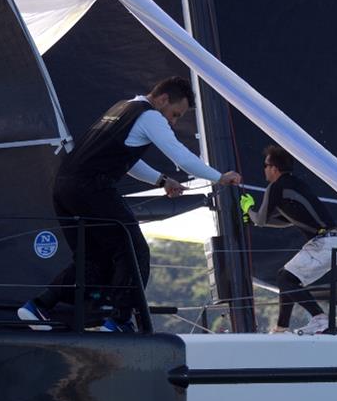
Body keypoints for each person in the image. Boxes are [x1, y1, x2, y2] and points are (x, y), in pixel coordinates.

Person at [19, 76, 241, 332]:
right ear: (162, 99)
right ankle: (119, 320)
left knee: (94, 259)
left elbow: (127, 160)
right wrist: (220, 176)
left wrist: (161, 180)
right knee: (134, 251)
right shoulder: (150, 117)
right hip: (92, 187)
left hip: (64, 188)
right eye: (175, 114)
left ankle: (40, 306)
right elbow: (181, 156)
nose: (173, 121)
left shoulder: (122, 108)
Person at [241, 145, 337, 335]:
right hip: (334, 243)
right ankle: (281, 328)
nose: (264, 169)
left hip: (324, 244)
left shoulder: (276, 186)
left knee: (285, 278)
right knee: (287, 279)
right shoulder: (294, 184)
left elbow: (262, 220)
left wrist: (248, 209)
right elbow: (284, 222)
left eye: (265, 165)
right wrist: (253, 219)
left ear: (274, 168)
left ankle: (320, 320)